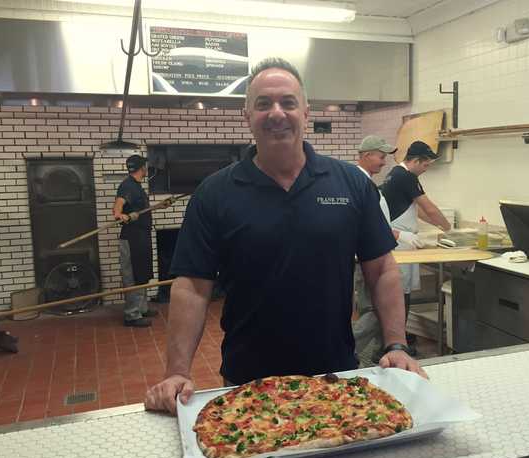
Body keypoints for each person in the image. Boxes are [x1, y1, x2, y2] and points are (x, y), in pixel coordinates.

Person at [145, 58, 426, 414]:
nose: (276, 113)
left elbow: (382, 268)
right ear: (246, 115)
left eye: (287, 102)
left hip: (334, 375)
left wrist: (396, 344)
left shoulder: (351, 184)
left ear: (305, 112)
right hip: (247, 382)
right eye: (263, 104)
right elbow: (191, 286)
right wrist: (176, 372)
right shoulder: (215, 193)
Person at [352, 135, 422, 364]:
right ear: (366, 155)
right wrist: (403, 235)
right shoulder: (359, 183)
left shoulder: (367, 182)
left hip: (369, 255)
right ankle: (347, 349)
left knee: (370, 309)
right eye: (381, 157)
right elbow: (372, 226)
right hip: (369, 259)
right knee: (376, 311)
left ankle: (379, 353)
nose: (384, 162)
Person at [380, 141, 451, 351]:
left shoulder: (396, 173)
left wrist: (437, 226)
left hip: (402, 238)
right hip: (400, 240)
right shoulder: (407, 176)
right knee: (400, 290)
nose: (425, 169)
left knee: (403, 289)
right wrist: (449, 230)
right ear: (416, 161)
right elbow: (428, 207)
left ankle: (399, 334)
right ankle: (397, 341)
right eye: (426, 165)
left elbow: (415, 209)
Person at [113, 155, 158, 328]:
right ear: (142, 168)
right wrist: (120, 214)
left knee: (142, 272)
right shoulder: (128, 186)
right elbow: (118, 207)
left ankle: (141, 308)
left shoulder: (136, 186)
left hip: (141, 237)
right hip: (131, 239)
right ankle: (132, 315)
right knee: (132, 275)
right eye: (145, 166)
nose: (146, 168)